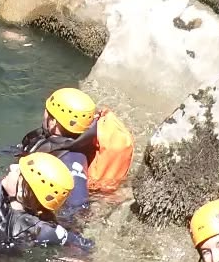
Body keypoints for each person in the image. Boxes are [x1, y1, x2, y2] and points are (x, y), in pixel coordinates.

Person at [18, 88, 134, 217]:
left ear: (54, 122)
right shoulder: (52, 137)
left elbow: (78, 207)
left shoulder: (72, 159)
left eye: (47, 111)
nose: (44, 113)